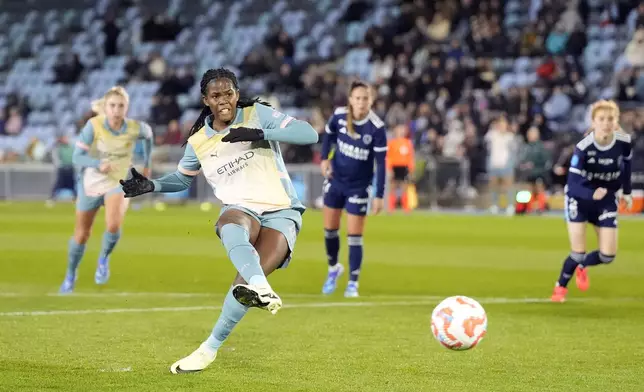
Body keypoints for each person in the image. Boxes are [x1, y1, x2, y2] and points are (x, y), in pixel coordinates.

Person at [119, 68, 318, 373]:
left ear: (237, 94)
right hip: (242, 209)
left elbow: (309, 134)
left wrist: (261, 133)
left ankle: (209, 348)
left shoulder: (257, 114)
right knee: (229, 223)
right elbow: (182, 179)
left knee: (245, 285)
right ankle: (261, 289)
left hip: (282, 210)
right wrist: (152, 185)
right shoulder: (199, 141)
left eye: (229, 93)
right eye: (216, 95)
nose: (224, 100)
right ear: (206, 100)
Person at [59, 86, 153, 294]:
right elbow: (76, 157)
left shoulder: (135, 127)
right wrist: (96, 163)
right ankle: (70, 274)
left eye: (121, 106)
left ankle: (103, 259)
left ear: (126, 107)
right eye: (112, 105)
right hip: (92, 182)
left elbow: (149, 136)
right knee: (82, 234)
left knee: (113, 225)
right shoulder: (93, 126)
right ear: (105, 107)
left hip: (116, 182)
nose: (116, 110)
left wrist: (147, 165)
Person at [551, 100, 633, 302]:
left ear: (616, 121)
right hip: (579, 199)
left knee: (607, 256)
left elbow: (627, 167)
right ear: (593, 121)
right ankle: (560, 288)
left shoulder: (623, 141)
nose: (606, 123)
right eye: (601, 119)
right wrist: (591, 194)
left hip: (605, 200)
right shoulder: (584, 146)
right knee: (578, 252)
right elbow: (573, 182)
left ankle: (583, 266)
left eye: (610, 119)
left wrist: (627, 192)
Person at [319, 80, 387, 298]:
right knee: (330, 230)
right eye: (357, 98)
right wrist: (324, 159)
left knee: (354, 236)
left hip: (358, 187)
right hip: (335, 180)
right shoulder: (339, 116)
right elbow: (328, 136)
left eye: (365, 98)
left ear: (371, 101)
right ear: (350, 100)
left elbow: (382, 163)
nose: (361, 102)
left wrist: (379, 195)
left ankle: (353, 283)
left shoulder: (376, 128)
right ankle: (333, 269)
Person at [485, 116, 518, 215]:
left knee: (508, 187)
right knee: (494, 187)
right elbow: (486, 140)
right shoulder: (492, 135)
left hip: (506, 164)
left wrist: (511, 163)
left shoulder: (510, 137)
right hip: (494, 164)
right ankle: (495, 206)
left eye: (503, 124)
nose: (501, 126)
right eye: (500, 124)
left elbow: (514, 151)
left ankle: (510, 206)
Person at [386, 124, 415, 212]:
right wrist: (389, 168)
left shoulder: (408, 143)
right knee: (392, 187)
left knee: (404, 187)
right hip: (395, 166)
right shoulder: (392, 143)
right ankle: (391, 207)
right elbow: (388, 156)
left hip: (404, 166)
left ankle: (406, 207)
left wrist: (411, 168)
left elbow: (410, 157)